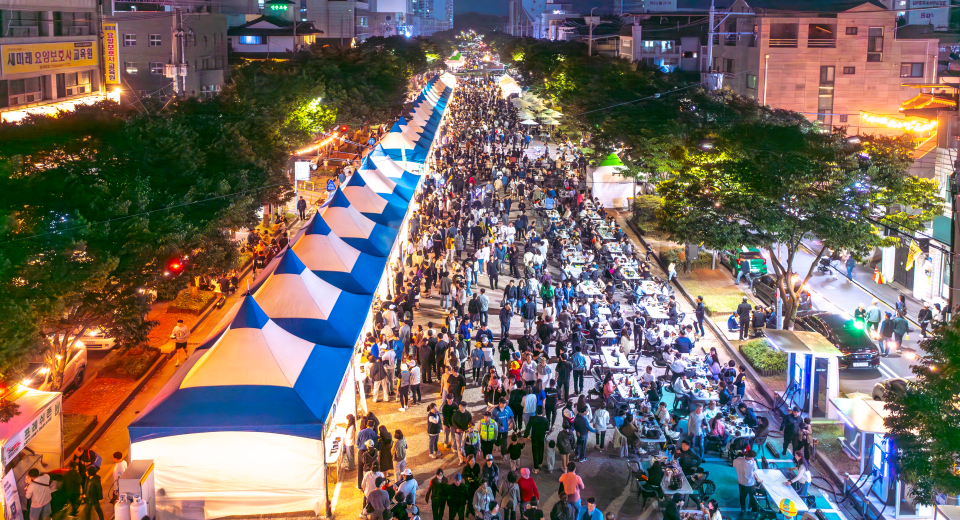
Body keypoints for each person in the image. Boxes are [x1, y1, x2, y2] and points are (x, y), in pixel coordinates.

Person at [733, 450, 760, 515]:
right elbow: (754, 471)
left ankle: (743, 509)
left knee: (742, 497)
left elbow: (734, 464)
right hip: (751, 484)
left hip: (741, 483)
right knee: (752, 497)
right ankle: (752, 508)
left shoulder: (738, 460)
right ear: (751, 457)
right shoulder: (753, 463)